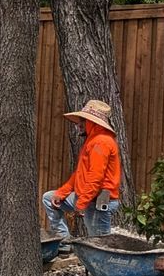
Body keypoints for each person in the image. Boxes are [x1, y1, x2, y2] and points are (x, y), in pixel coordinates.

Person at [42, 99, 123, 238]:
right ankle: (63, 240)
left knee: (100, 245)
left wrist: (82, 202)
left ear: (92, 122)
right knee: (49, 199)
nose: (79, 124)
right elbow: (80, 174)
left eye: (82, 120)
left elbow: (95, 177)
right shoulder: (94, 140)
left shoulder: (101, 142)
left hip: (98, 201)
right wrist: (61, 193)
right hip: (89, 198)